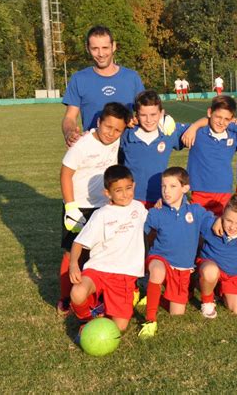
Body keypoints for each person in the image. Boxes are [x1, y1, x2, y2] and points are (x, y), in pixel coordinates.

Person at [57, 102, 131, 316]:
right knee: (72, 253)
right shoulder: (82, 145)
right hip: (78, 206)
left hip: (103, 207)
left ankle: (91, 297)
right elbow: (65, 174)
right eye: (108, 127)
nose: (111, 133)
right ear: (98, 122)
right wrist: (70, 206)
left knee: (95, 252)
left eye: (118, 130)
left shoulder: (116, 142)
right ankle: (65, 298)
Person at [69, 165, 148, 336]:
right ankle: (88, 319)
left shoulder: (139, 209)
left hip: (124, 275)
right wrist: (74, 264)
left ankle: (102, 307)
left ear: (133, 186)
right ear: (108, 193)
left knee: (118, 328)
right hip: (98, 269)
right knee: (77, 293)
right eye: (118, 190)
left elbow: (155, 224)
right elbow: (78, 243)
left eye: (128, 188)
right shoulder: (101, 214)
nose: (125, 194)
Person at [139, 167, 212, 339]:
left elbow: (211, 222)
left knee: (177, 313)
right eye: (164, 186)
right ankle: (150, 320)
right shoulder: (156, 212)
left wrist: (218, 224)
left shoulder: (195, 211)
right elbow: (139, 233)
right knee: (157, 270)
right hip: (160, 259)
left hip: (183, 268)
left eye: (172, 186)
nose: (166, 191)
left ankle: (154, 293)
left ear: (185, 188)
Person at [62, 25, 145, 147]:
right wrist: (69, 133)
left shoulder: (132, 77)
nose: (101, 54)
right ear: (87, 49)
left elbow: (145, 112)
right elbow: (69, 117)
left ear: (114, 46)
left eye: (105, 48)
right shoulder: (79, 79)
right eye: (95, 48)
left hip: (128, 151)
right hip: (93, 151)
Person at [120, 90, 188, 209]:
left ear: (162, 113)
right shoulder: (126, 134)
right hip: (132, 200)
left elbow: (204, 128)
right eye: (143, 115)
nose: (148, 120)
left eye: (153, 114)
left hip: (160, 200)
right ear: (136, 116)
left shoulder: (169, 132)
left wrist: (194, 128)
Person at [197, 194, 237, 318]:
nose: (232, 227)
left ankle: (219, 291)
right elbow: (192, 211)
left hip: (232, 276)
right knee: (210, 271)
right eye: (228, 220)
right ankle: (207, 301)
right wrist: (217, 219)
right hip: (209, 267)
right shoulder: (210, 224)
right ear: (223, 214)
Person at [187, 95, 237, 216]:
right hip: (200, 192)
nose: (221, 122)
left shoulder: (234, 136)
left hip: (224, 193)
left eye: (226, 119)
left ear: (232, 119)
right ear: (210, 112)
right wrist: (194, 126)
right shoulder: (197, 132)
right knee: (198, 229)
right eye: (218, 117)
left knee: (221, 228)